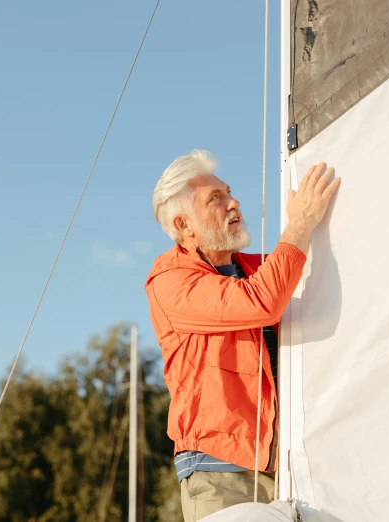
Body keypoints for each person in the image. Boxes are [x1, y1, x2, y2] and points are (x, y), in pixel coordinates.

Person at [145, 149, 340, 521]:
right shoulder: (169, 281)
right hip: (220, 471)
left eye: (229, 192)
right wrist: (299, 225)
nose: (233, 202)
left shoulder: (256, 268)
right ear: (184, 225)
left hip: (284, 466)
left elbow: (292, 271)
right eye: (215, 198)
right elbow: (263, 301)